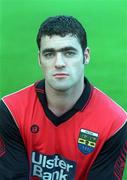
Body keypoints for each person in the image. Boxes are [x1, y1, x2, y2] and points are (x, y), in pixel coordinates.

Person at [0, 15, 127, 180]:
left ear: (86, 56)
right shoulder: (11, 111)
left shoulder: (114, 122)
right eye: (49, 54)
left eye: (69, 53)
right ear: (39, 59)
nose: (59, 63)